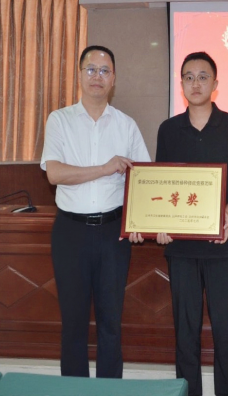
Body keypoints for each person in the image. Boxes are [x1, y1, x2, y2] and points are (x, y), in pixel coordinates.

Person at [40, 45, 150, 378]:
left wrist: (144, 220)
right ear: (79, 75)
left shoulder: (127, 125)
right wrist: (104, 168)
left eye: (104, 71)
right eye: (91, 69)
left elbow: (144, 181)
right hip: (70, 233)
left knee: (110, 322)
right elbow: (54, 173)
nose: (97, 76)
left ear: (113, 79)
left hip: (113, 233)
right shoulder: (59, 120)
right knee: (73, 322)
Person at [155, 51, 228, 396]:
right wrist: (160, 223)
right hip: (181, 249)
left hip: (221, 245)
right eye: (188, 77)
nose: (195, 83)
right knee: (185, 332)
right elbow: (161, 185)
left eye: (202, 77)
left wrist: (224, 215)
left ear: (215, 84)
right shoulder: (169, 130)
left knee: (225, 330)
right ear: (181, 84)